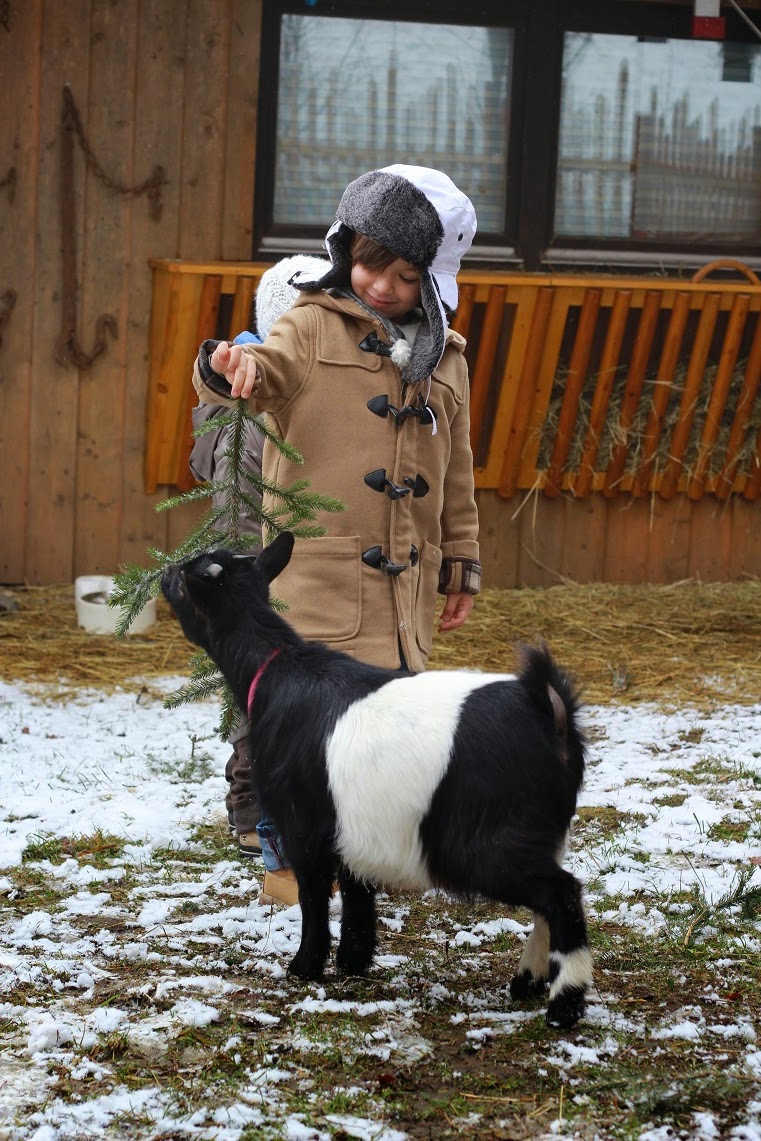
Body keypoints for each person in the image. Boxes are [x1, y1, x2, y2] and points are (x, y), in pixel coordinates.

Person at [192, 164, 482, 904]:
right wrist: (232, 367)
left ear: (434, 281)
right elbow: (265, 369)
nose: (381, 285)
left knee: (385, 730)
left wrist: (460, 564)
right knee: (305, 731)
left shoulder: (447, 361)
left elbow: (455, 475)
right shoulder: (311, 324)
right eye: (369, 263)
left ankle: (369, 855)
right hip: (318, 577)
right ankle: (288, 862)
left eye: (406, 274)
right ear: (344, 250)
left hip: (404, 584)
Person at [188, 254, 329, 860]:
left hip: (298, 564)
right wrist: (250, 583)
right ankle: (250, 802)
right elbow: (237, 514)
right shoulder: (250, 415)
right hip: (259, 573)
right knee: (260, 685)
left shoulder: (292, 396)